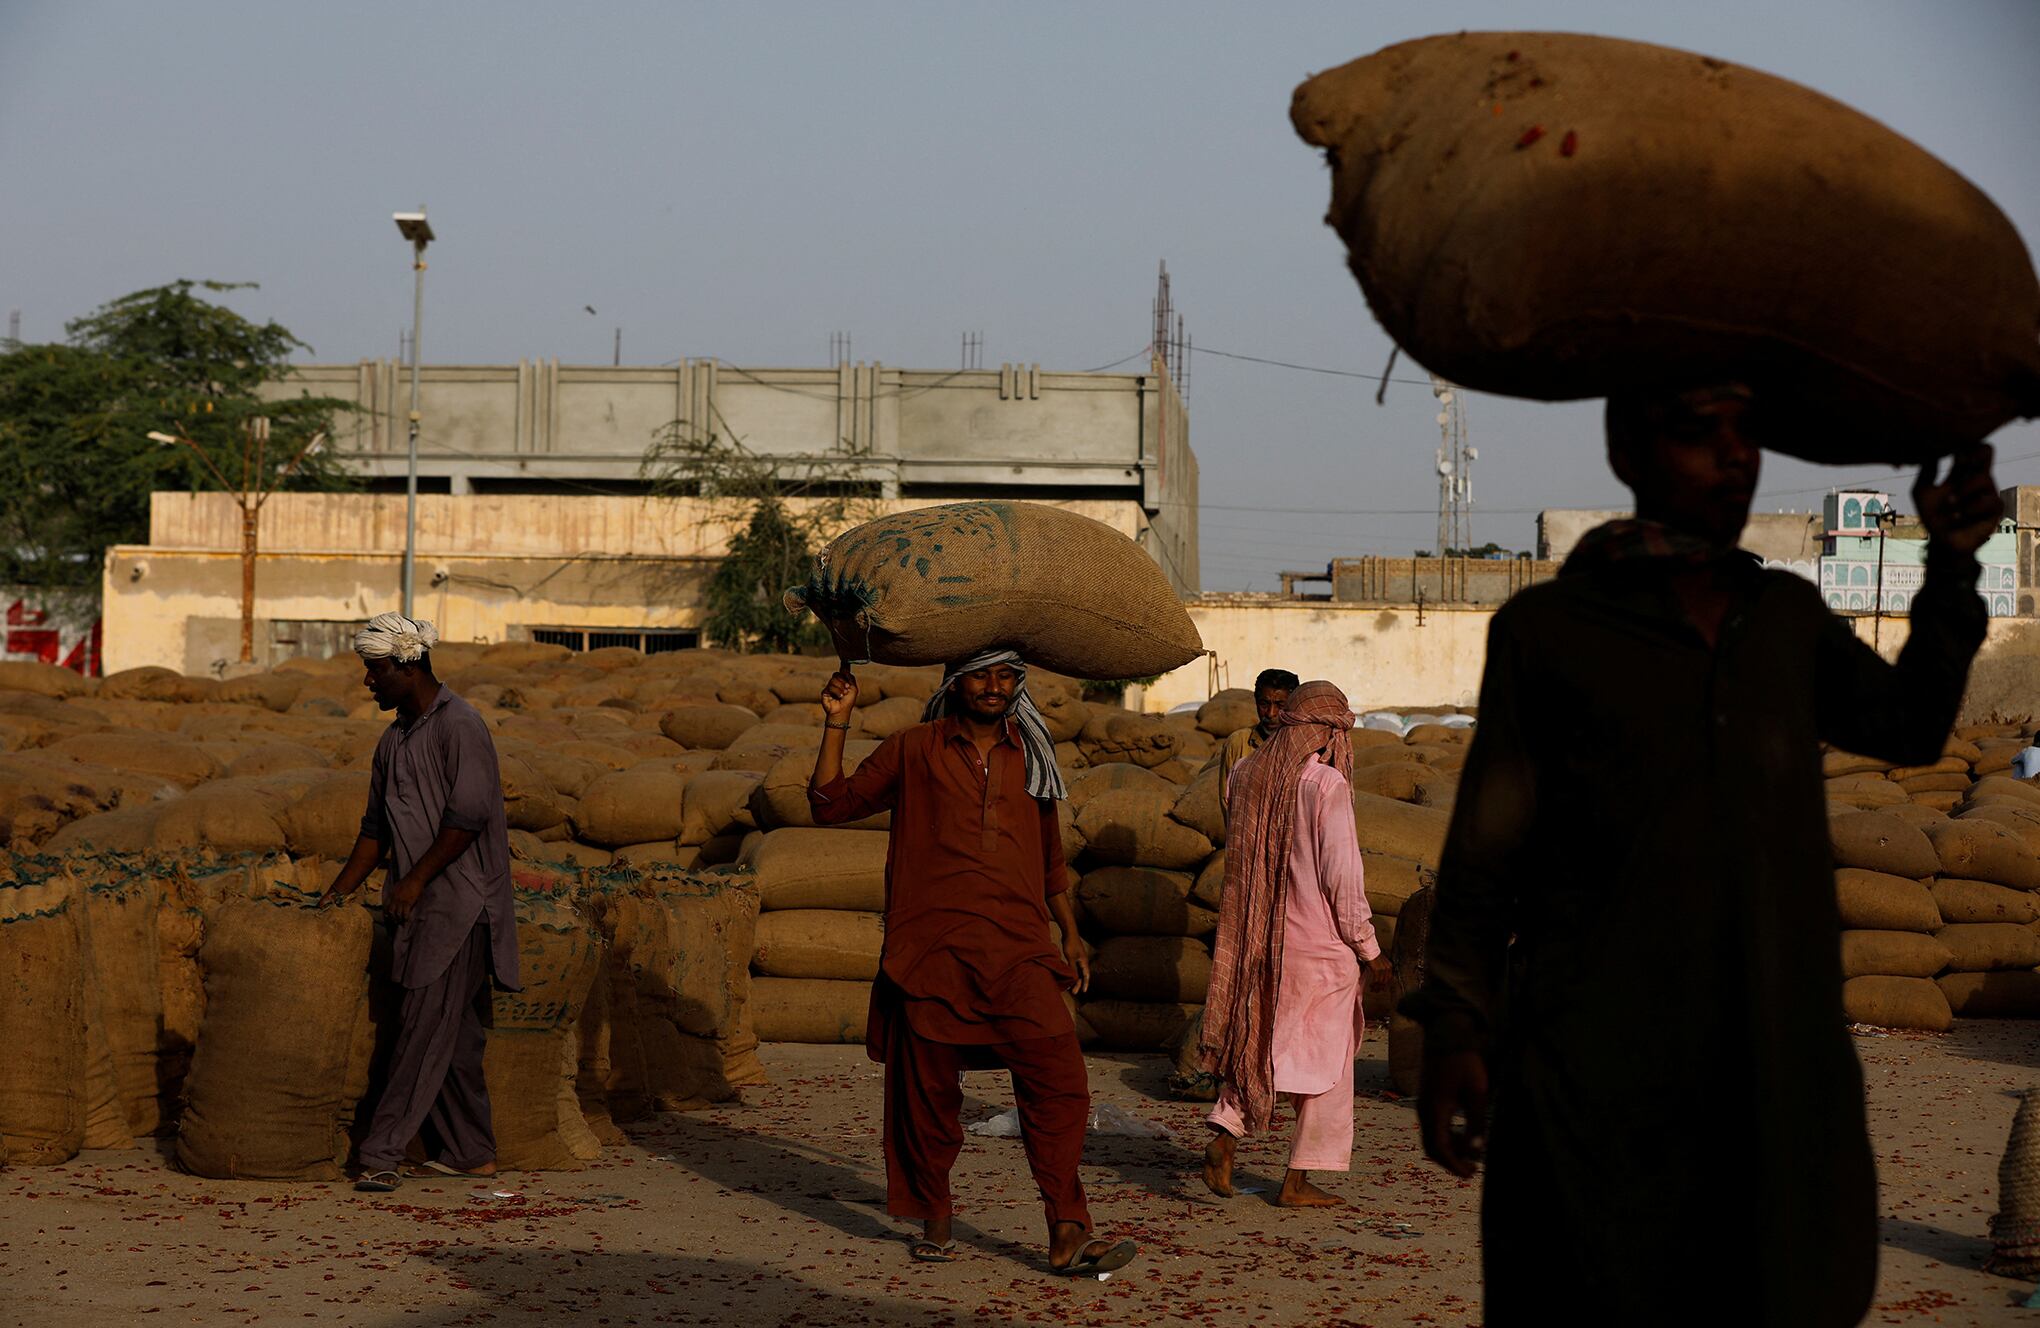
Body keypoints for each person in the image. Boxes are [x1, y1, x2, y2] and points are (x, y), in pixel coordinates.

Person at [1407, 384, 2002, 1325]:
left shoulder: (1785, 619)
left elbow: (1910, 725)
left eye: (1747, 434)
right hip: (1592, 1061)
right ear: (1629, 458)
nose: (1734, 458)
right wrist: (1453, 1028)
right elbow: (1486, 854)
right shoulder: (1550, 633)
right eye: (1697, 434)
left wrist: (1954, 564)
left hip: (1771, 1059)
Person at [810, 649, 1138, 1276]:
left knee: (1060, 1084)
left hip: (1018, 951)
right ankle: (934, 1214)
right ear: (954, 682)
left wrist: (1069, 932)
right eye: (982, 674)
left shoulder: (1032, 755)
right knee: (928, 1097)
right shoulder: (914, 748)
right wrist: (836, 721)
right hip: (930, 951)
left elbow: (1048, 860)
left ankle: (1067, 1228)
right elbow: (830, 804)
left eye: (1007, 676)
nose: (995, 686)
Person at [322, 613, 520, 1194]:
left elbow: (468, 816)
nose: (369, 683)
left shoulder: (462, 725)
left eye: (375, 671)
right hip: (420, 908)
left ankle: (380, 1152)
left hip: (461, 906)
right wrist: (334, 898)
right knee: (454, 1038)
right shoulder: (394, 740)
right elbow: (374, 830)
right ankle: (471, 1151)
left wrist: (414, 882)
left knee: (420, 1030)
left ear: (408, 665)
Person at [1199, 681, 1391, 1206]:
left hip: (1260, 938)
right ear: (1327, 732)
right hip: (1320, 947)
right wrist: (1370, 949)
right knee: (1330, 1064)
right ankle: (1300, 1177)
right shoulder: (1324, 784)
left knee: (1266, 1041)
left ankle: (1226, 1130)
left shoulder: (1248, 772)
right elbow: (1342, 878)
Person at [1212, 669, 1299, 803]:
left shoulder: (1301, 745)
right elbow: (1226, 799)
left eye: (1280, 706)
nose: (1270, 713)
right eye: (1264, 704)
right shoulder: (1238, 742)